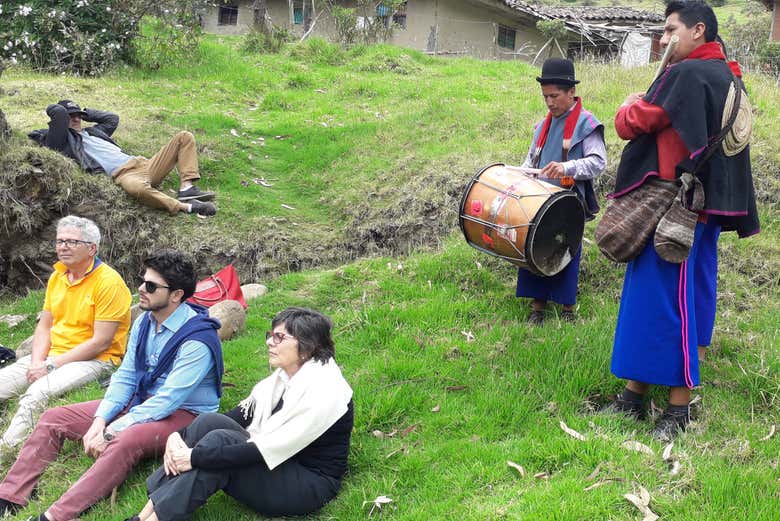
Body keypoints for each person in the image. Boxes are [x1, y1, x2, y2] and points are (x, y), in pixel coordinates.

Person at [604, 0, 759, 441]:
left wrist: (627, 105)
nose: (664, 38)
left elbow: (634, 122)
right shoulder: (728, 75)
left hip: (673, 206)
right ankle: (634, 395)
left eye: (671, 29)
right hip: (702, 207)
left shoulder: (687, 74)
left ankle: (678, 409)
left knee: (669, 302)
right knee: (681, 295)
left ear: (698, 30)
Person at [0, 250, 224, 521]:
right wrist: (100, 419)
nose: (141, 289)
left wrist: (111, 430)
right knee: (53, 418)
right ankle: (10, 496)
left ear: (176, 295)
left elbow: (168, 400)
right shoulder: (145, 322)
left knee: (124, 441)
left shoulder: (198, 340)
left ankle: (56, 516)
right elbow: (126, 376)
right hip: (143, 399)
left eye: (151, 286)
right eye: (142, 281)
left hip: (185, 413)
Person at [127, 307, 354, 521]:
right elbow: (241, 416)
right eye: (270, 335)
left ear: (307, 346)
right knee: (208, 422)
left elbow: (264, 450)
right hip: (278, 462)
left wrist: (194, 457)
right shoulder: (284, 378)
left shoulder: (325, 390)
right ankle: (145, 513)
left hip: (307, 483)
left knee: (220, 444)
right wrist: (178, 435)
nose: (269, 342)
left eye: (279, 337)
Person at [0, 215, 131, 450]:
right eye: (60, 241)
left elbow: (101, 342)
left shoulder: (109, 283)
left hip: (95, 360)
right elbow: (45, 326)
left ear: (92, 248)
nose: (63, 246)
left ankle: (5, 451)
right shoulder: (58, 276)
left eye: (72, 242)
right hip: (52, 354)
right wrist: (37, 361)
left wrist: (51, 365)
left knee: (36, 394)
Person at [516, 58, 606, 325]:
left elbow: (598, 162)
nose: (549, 102)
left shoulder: (587, 124)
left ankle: (567, 309)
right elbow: (531, 160)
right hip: (538, 200)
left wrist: (566, 167)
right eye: (545, 97)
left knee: (567, 250)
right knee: (534, 246)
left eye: (554, 96)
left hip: (569, 202)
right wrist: (519, 175)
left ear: (571, 92)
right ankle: (537, 306)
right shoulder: (541, 126)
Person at [28, 100, 218, 216]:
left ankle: (187, 188)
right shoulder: (63, 141)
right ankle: (185, 207)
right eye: (71, 116)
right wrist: (62, 111)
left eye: (78, 115)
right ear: (62, 121)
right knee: (137, 189)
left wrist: (86, 113)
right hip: (124, 174)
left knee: (184, 136)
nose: (76, 119)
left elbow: (113, 118)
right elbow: (58, 114)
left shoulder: (94, 131)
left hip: (144, 163)